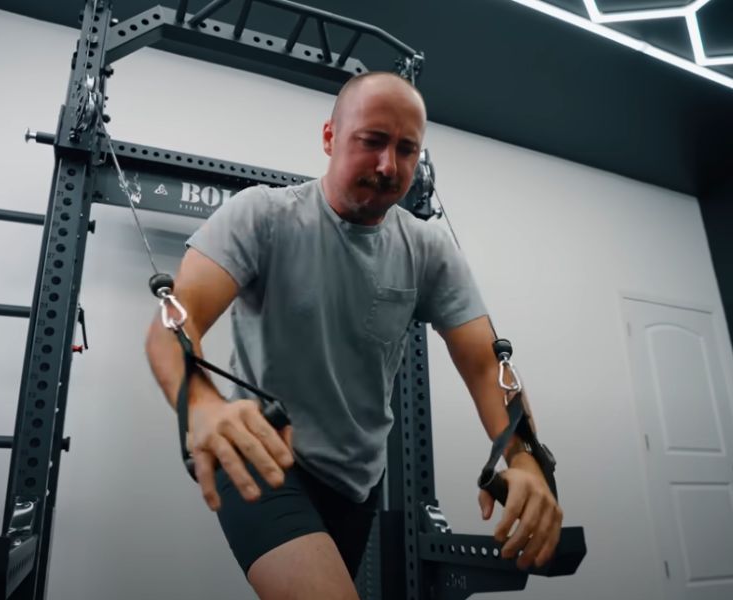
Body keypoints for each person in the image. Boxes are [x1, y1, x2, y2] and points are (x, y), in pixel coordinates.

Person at [145, 71, 563, 599]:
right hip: (263, 456)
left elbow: (485, 363)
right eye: (372, 141)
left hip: (356, 482)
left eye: (407, 150)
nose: (389, 165)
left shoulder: (429, 250)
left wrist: (523, 457)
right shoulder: (261, 217)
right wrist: (201, 403)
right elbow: (173, 327)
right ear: (329, 137)